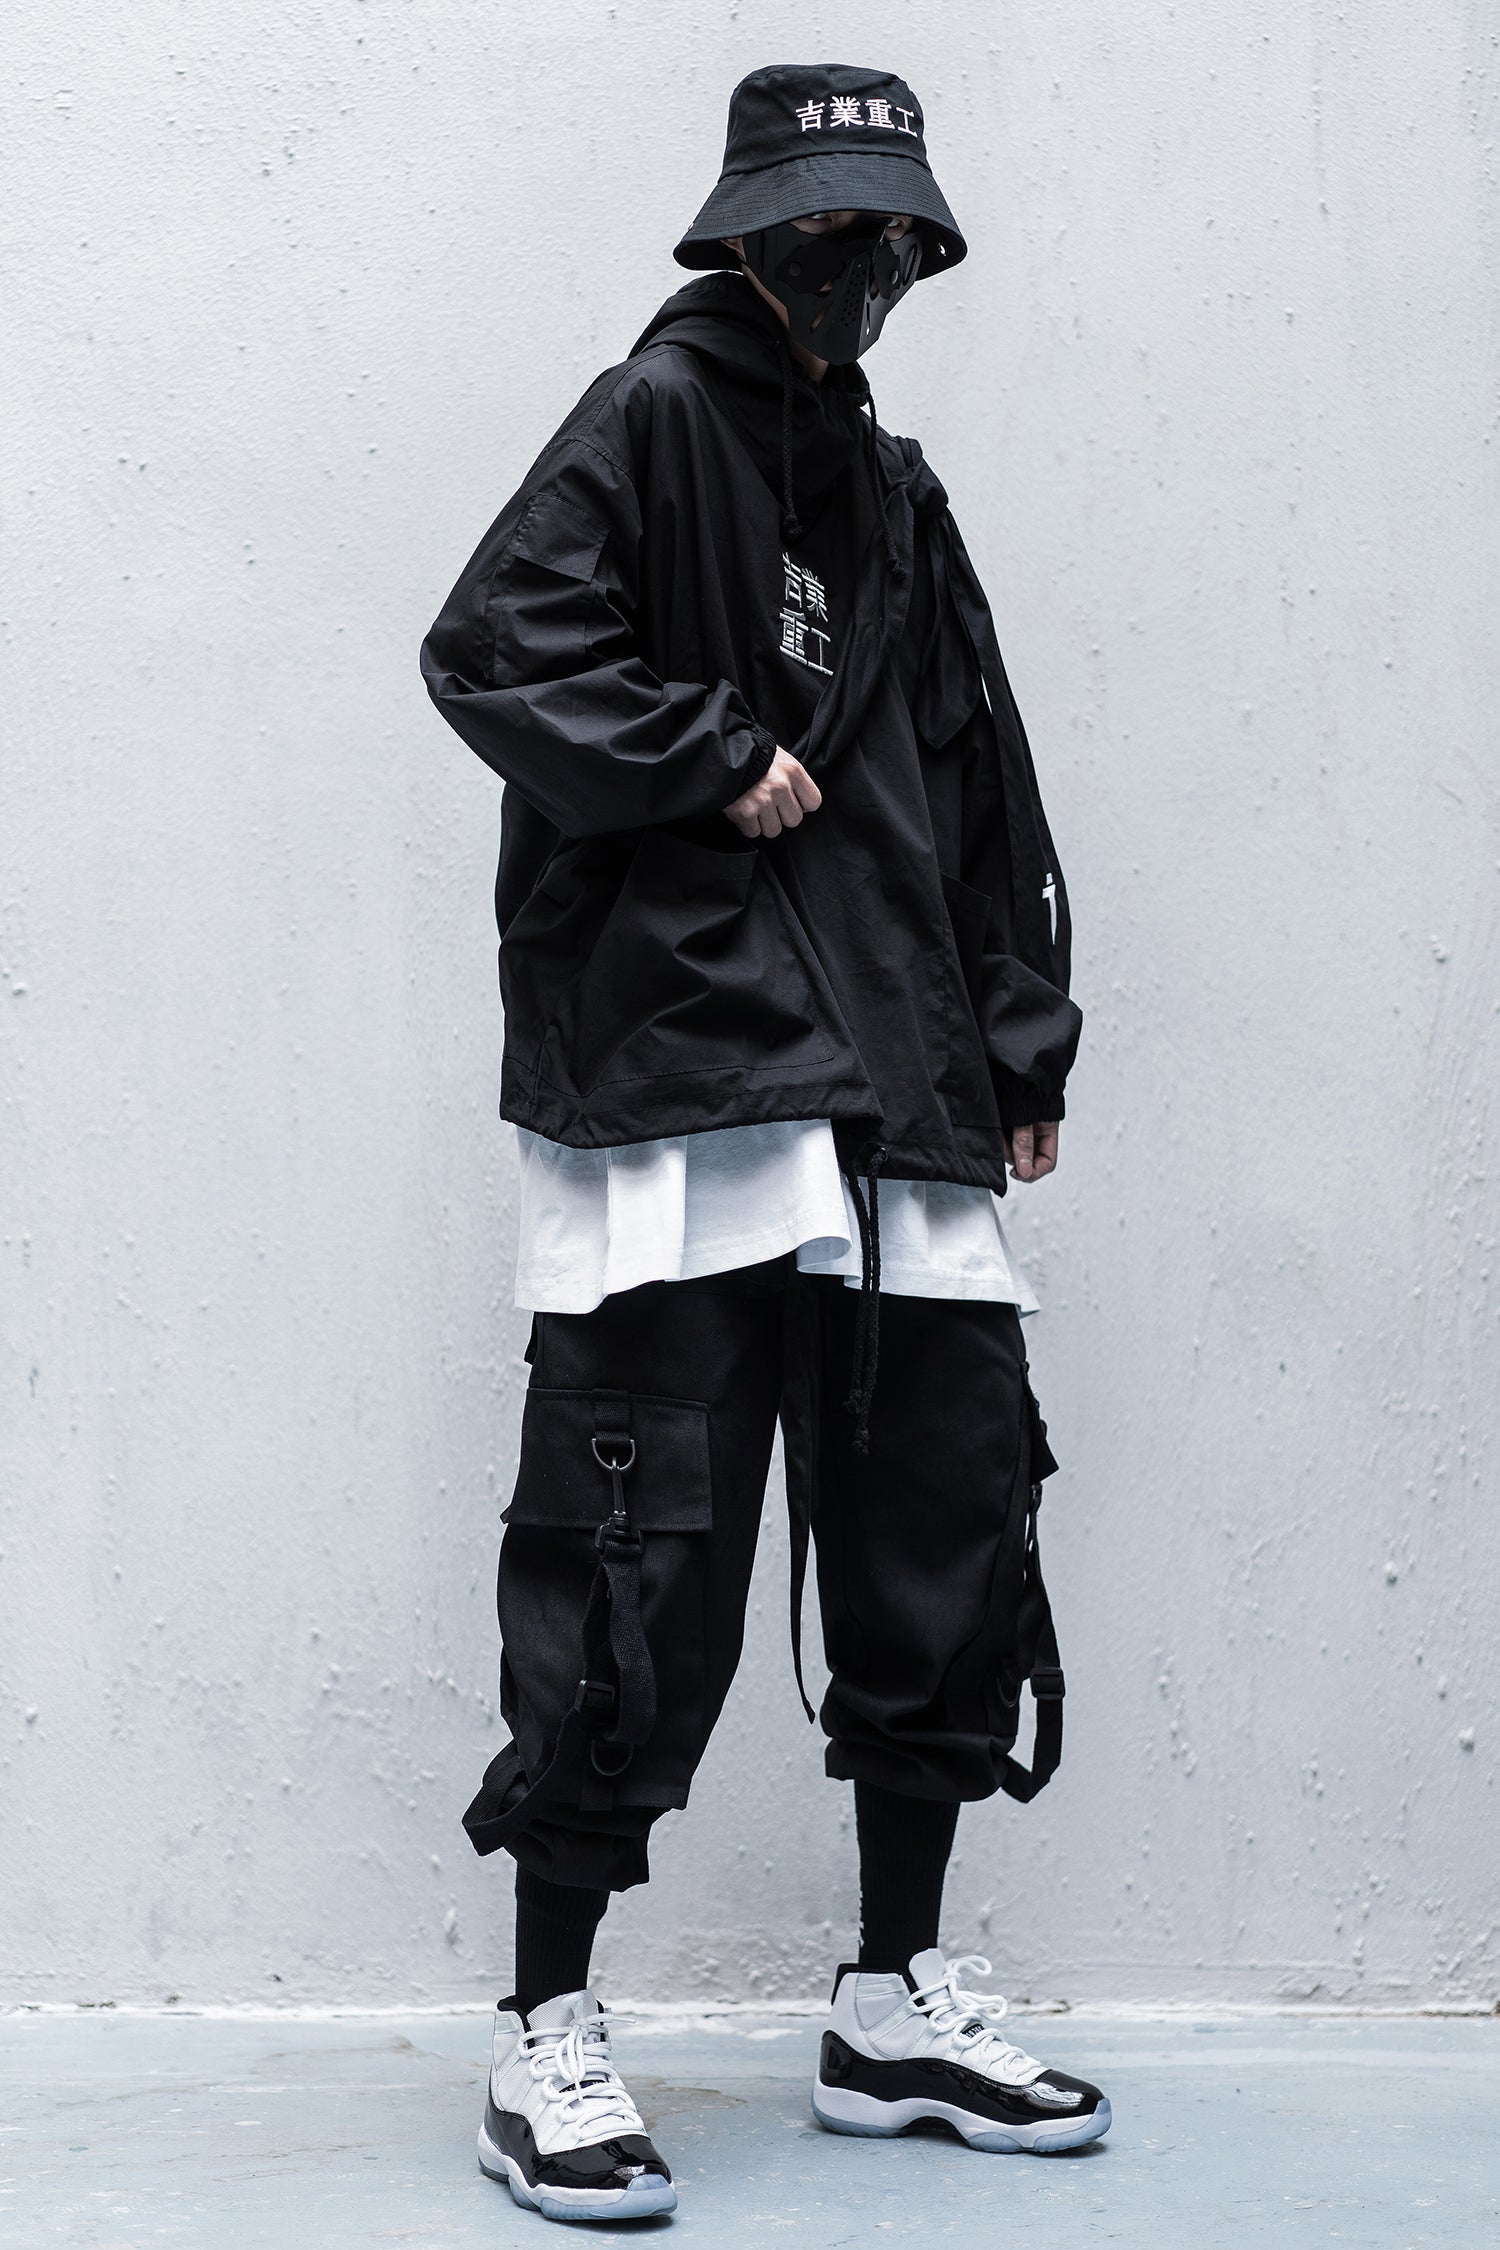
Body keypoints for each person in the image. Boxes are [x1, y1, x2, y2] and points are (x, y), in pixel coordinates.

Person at [421, 60, 1109, 2227]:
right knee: (636, 1550)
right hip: (689, 1073)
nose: (862, 268)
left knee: (941, 1530)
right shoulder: (646, 419)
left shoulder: (894, 489)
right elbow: (493, 646)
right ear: (746, 226)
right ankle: (546, 2021)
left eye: (891, 232)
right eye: (824, 227)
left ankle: (892, 1997)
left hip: (898, 1080)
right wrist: (705, 750)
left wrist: (1018, 1037)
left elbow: (979, 772)